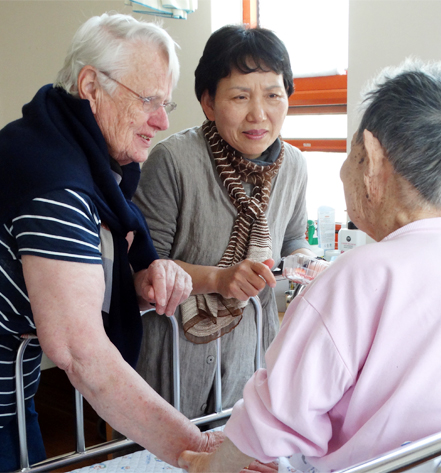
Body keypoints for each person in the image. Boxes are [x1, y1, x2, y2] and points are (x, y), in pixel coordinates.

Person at [0, 13, 223, 472]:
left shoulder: (79, 157)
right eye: (148, 100)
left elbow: (76, 278)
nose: (160, 119)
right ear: (91, 86)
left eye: (165, 103)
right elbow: (80, 351)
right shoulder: (53, 178)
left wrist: (138, 281)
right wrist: (197, 449)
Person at [178, 60, 441, 472]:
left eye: (352, 152)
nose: (346, 169)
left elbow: (276, 415)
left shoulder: (358, 276)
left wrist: (208, 467)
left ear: (373, 159)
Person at [133, 25, 314, 420]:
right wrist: (219, 279)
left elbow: (293, 239)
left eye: (273, 95)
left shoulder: (294, 165)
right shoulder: (173, 161)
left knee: (240, 441)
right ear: (209, 103)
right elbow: (144, 269)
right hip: (175, 357)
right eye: (240, 96)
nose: (258, 114)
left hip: (250, 350)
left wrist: (308, 265)